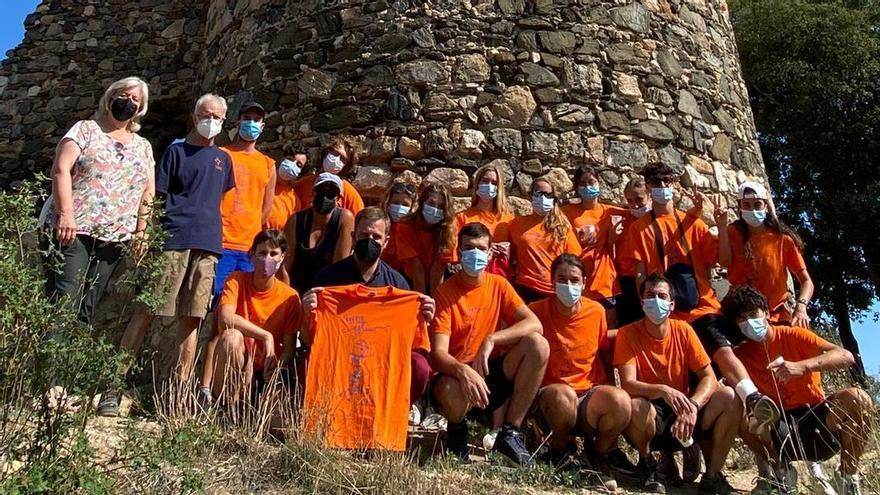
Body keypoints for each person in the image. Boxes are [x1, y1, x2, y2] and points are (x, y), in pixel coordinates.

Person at [100, 93, 235, 416]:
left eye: (218, 117)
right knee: (146, 310)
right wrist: (146, 233)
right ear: (194, 115)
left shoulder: (224, 160)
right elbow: (156, 196)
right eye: (207, 114)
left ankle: (177, 395)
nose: (212, 121)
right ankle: (112, 386)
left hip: (208, 244)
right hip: (173, 240)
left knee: (193, 317)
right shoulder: (175, 153)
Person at [622, 162, 780, 437]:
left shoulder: (692, 223)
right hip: (667, 315)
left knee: (721, 349)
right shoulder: (639, 230)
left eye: (667, 182)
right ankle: (683, 440)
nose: (661, 189)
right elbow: (639, 274)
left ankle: (751, 399)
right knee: (677, 375)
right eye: (656, 184)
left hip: (701, 307)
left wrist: (719, 224)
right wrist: (648, 308)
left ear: (674, 185)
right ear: (648, 187)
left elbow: (723, 261)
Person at [722, 286, 871, 495]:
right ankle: (782, 474)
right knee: (738, 406)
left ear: (766, 312)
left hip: (817, 418)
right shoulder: (738, 356)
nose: (749, 322)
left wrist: (803, 366)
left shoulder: (794, 335)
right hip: (777, 427)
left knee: (858, 398)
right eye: (741, 318)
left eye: (753, 314)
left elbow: (845, 356)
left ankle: (847, 477)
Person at [430, 222, 548, 467]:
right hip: (456, 377)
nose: (475, 254)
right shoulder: (444, 292)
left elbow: (534, 323)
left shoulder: (499, 285)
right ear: (459, 252)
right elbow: (438, 354)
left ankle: (510, 432)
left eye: (481, 248)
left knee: (538, 345)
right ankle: (457, 428)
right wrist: (463, 371)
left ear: (490, 251)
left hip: (489, 372)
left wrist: (492, 339)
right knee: (451, 391)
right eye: (468, 248)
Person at [615, 273, 742, 494]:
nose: (656, 300)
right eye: (650, 295)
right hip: (651, 411)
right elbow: (628, 383)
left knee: (730, 396)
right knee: (634, 406)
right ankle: (648, 464)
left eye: (662, 296)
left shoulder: (684, 329)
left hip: (684, 407)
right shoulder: (627, 333)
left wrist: (693, 405)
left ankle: (712, 476)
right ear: (641, 301)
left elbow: (709, 377)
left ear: (672, 304)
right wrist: (662, 390)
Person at [44, 76, 154, 323]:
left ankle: (72, 362)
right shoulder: (85, 130)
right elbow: (61, 170)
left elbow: (148, 191)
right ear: (111, 97)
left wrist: (142, 233)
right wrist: (66, 214)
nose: (128, 102)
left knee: (87, 309)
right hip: (73, 231)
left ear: (141, 108)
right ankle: (49, 358)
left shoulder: (143, 146)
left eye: (135, 99)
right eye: (124, 95)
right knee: (63, 304)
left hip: (116, 238)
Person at [309, 207, 436, 411]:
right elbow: (310, 339)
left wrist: (423, 317)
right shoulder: (328, 280)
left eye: (376, 237)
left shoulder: (398, 284)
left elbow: (411, 343)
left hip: (382, 359)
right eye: (363, 235)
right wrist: (309, 311)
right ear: (353, 237)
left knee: (419, 366)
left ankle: (397, 410)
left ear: (386, 243)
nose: (369, 241)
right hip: (340, 356)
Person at [529, 254, 631, 492]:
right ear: (552, 281)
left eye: (574, 280)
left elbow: (603, 355)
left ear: (584, 282)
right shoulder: (536, 311)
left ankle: (596, 455)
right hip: (551, 397)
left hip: (587, 395)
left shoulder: (596, 311)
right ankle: (561, 451)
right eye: (561, 279)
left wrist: (608, 389)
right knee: (563, 396)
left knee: (622, 402)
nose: (568, 285)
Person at [209, 229, 301, 407]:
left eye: (274, 254)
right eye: (262, 253)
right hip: (241, 363)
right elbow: (226, 318)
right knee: (231, 337)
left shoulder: (290, 297)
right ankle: (226, 407)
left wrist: (274, 372)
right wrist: (266, 336)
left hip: (268, 369)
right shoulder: (236, 279)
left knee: (278, 427)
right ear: (252, 255)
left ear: (282, 257)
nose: (267, 258)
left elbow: (289, 350)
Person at [717, 181, 814, 327]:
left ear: (766, 206)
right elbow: (724, 262)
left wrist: (801, 306)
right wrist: (721, 228)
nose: (753, 210)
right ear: (740, 206)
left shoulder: (783, 239)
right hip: (741, 315)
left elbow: (806, 281)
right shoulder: (732, 232)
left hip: (776, 316)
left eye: (757, 204)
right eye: (747, 205)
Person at [214, 101, 276, 305]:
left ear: (263, 126)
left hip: (250, 248)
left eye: (256, 120)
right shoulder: (222, 154)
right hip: (220, 243)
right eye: (247, 119)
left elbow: (266, 210)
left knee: (243, 305)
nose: (251, 123)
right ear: (237, 122)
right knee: (215, 303)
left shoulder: (268, 164)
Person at [562, 166, 628, 326]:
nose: (588, 187)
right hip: (577, 280)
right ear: (577, 187)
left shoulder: (610, 212)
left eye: (592, 182)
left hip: (604, 280)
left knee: (607, 329)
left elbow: (639, 214)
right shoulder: (566, 212)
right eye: (583, 183)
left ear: (599, 183)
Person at [279, 172, 354, 294]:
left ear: (338, 199)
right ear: (313, 194)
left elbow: (339, 267)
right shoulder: (296, 221)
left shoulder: (344, 219)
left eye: (330, 193)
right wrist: (289, 298)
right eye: (321, 191)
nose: (324, 197)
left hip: (325, 291)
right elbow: (284, 266)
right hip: (295, 289)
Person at [508, 177, 580, 303]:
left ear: (554, 198)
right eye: (538, 193)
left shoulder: (563, 226)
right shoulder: (516, 224)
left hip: (554, 289)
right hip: (525, 287)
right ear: (531, 196)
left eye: (547, 194)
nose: (543, 198)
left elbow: (573, 258)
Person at [395, 182, 456, 295]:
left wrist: (435, 302)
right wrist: (423, 301)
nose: (435, 209)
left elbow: (438, 268)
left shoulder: (448, 229)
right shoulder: (405, 225)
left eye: (440, 207)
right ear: (422, 203)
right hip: (411, 280)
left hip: (439, 281)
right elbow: (416, 267)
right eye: (431, 203)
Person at [454, 163, 515, 274]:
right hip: (470, 277)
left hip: (501, 278)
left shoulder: (508, 219)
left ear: (499, 188)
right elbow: (454, 252)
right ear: (477, 184)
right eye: (485, 181)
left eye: (494, 183)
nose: (489, 185)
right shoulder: (462, 218)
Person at [293, 138, 364, 215]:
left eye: (343, 159)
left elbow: (359, 222)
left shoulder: (350, 194)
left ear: (346, 166)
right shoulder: (302, 185)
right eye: (335, 153)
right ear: (327, 152)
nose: (336, 160)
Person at [380, 181, 419, 275]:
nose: (400, 207)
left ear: (412, 207)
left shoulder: (415, 229)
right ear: (388, 203)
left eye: (405, 205)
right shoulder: (379, 225)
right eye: (396, 203)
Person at [267, 148, 307, 230]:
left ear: (300, 173)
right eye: (291, 159)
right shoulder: (262, 180)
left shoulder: (294, 201)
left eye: (299, 165)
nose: (292, 165)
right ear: (282, 159)